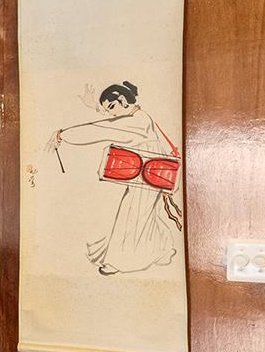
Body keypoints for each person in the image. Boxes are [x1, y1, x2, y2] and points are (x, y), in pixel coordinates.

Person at [50, 81, 182, 275]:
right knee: (143, 214)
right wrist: (96, 106)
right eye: (108, 109)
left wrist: (64, 135)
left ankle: (123, 262)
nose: (110, 113)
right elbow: (112, 121)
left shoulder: (137, 121)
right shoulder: (138, 115)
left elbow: (102, 129)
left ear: (122, 100)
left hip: (148, 176)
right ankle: (162, 250)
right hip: (148, 174)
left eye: (111, 107)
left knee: (134, 215)